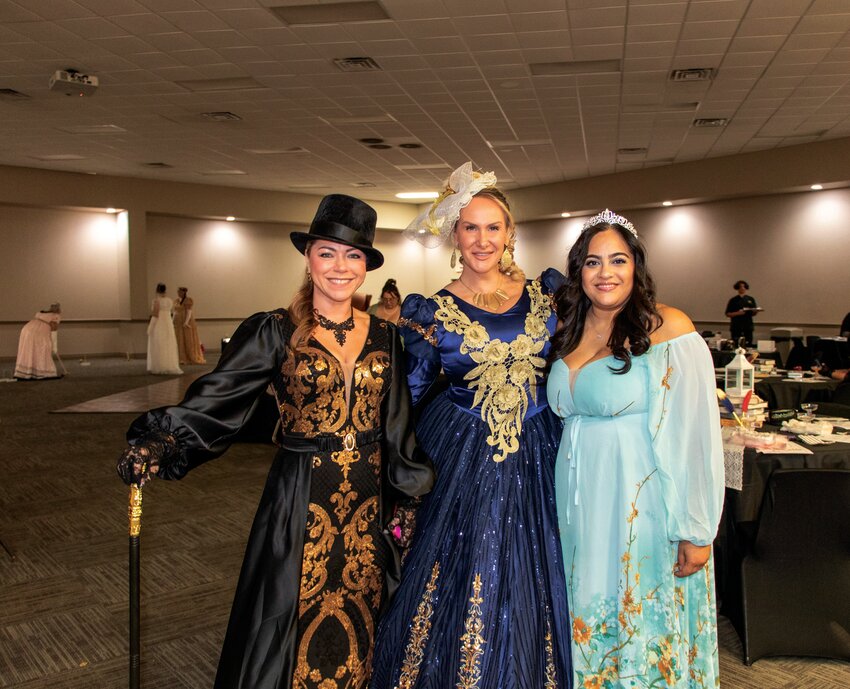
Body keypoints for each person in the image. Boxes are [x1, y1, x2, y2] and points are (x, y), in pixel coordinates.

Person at [116, 194, 435, 689]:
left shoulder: (385, 337)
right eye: (327, 252)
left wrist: (408, 498)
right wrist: (160, 442)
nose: (340, 266)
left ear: (366, 266)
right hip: (298, 501)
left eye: (353, 255)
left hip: (367, 505)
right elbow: (217, 399)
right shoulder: (276, 331)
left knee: (365, 614)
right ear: (308, 259)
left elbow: (397, 426)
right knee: (284, 621)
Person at [370, 162, 572, 688]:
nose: (482, 239)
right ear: (455, 235)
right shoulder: (430, 312)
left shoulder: (549, 296)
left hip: (541, 448)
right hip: (463, 450)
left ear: (509, 234)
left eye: (493, 227)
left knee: (537, 564)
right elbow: (406, 397)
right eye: (470, 227)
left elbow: (587, 356)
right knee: (463, 561)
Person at [547, 209, 723, 687]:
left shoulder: (668, 327)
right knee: (584, 609)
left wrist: (696, 528)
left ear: (636, 267)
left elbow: (694, 435)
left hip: (639, 502)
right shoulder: (568, 328)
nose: (605, 273)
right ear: (577, 271)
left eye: (618, 260)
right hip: (577, 505)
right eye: (592, 262)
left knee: (640, 613)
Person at [14, 303, 62, 379]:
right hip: (38, 334)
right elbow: (54, 332)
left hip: (27, 330)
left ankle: (28, 371)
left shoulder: (41, 314)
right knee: (42, 350)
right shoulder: (55, 316)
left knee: (29, 350)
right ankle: (43, 372)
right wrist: (54, 347)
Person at [147, 283, 183, 375]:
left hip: (159, 323)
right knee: (168, 343)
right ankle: (169, 364)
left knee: (159, 343)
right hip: (167, 323)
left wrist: (150, 326)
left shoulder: (156, 301)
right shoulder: (170, 301)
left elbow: (155, 314)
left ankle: (160, 365)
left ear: (157, 290)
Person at [173, 286, 206, 364]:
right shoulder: (176, 301)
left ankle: (189, 356)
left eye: (180, 292)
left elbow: (189, 312)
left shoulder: (188, 300)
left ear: (183, 292)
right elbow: (175, 312)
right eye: (178, 292)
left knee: (188, 339)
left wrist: (186, 322)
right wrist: (172, 321)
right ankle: (181, 358)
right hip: (178, 322)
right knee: (180, 339)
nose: (178, 293)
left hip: (186, 321)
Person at [725, 280, 759, 346]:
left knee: (748, 343)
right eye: (740, 287)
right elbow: (728, 313)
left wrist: (755, 311)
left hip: (748, 325)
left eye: (744, 287)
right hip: (736, 326)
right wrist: (737, 313)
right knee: (736, 344)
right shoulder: (733, 300)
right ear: (737, 288)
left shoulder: (750, 299)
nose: (742, 288)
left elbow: (754, 311)